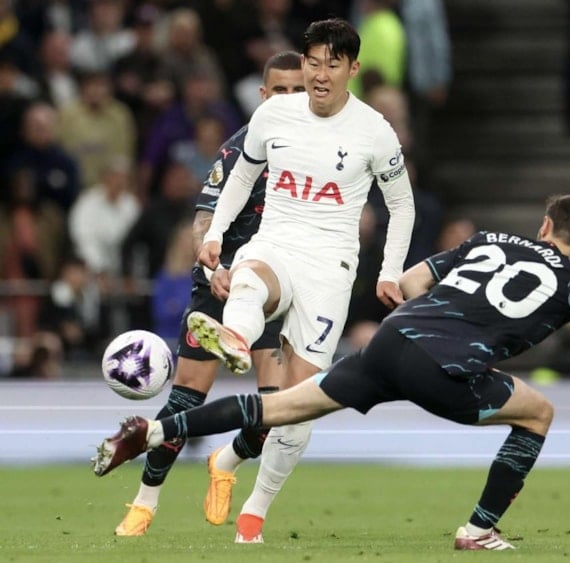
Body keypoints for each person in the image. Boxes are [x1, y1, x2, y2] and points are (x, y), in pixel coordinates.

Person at [93, 195, 570, 551]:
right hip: (446, 367)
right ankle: (478, 529)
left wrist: (413, 301)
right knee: (539, 412)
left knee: (279, 408)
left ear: (543, 224)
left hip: (393, 342)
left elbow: (409, 282)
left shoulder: (489, 239)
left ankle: (154, 431)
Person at [186, 18, 414, 543]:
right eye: (312, 63)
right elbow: (242, 177)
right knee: (248, 278)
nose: (320, 74)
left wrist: (390, 271)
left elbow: (402, 206)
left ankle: (251, 506)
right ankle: (236, 339)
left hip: (330, 268)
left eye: (332, 64)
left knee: (299, 407)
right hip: (276, 242)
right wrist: (216, 234)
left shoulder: (375, 130)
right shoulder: (273, 113)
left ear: (353, 69)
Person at [112, 51, 306, 537]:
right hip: (222, 281)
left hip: (280, 288)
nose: (288, 99)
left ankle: (227, 460)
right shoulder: (239, 149)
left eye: (297, 90)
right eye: (279, 90)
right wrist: (212, 263)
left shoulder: (321, 152)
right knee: (185, 401)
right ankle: (144, 502)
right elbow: (204, 218)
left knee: (275, 413)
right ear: (263, 95)